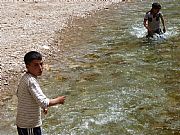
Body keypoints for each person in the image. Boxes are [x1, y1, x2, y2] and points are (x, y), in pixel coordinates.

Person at [16, 51, 66, 135]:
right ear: (27, 66)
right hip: (29, 125)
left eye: (41, 64)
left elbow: (20, 94)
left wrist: (42, 106)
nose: (40, 68)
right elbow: (43, 102)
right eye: (36, 65)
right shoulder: (31, 81)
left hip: (23, 123)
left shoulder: (25, 78)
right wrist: (58, 100)